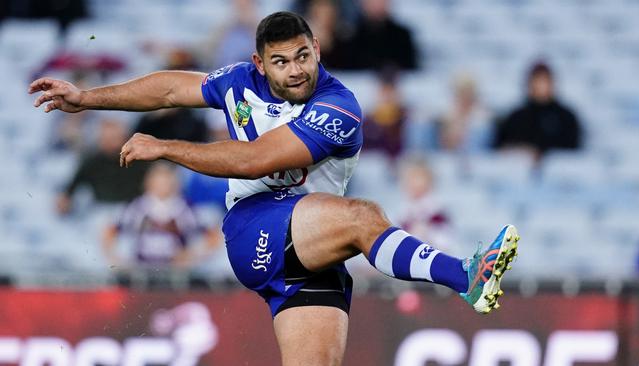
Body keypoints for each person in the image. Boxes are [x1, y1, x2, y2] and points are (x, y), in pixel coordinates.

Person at [30, 12, 520, 366]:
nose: (296, 69)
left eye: (303, 56)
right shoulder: (239, 82)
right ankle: (465, 276)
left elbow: (255, 157)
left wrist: (166, 147)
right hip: (256, 226)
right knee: (362, 216)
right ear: (260, 64)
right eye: (282, 61)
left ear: (318, 50)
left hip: (313, 251)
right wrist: (86, 98)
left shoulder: (340, 107)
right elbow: (168, 89)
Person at [102, 162, 221, 271]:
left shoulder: (184, 208)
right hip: (142, 270)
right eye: (158, 180)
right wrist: (116, 258)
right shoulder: (137, 207)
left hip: (174, 272)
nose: (162, 185)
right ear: (149, 182)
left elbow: (213, 236)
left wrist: (192, 255)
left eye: (166, 180)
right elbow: (110, 231)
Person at [56, 117, 148, 215]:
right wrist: (65, 199)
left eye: (114, 138)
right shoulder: (92, 160)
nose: (109, 143)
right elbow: (72, 186)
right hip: (100, 209)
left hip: (132, 208)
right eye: (105, 138)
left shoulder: (138, 160)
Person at [493, 61, 583, 160]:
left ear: (552, 83)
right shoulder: (516, 117)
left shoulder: (566, 117)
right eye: (536, 81)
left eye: (544, 81)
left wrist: (542, 152)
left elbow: (573, 149)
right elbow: (500, 147)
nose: (540, 86)